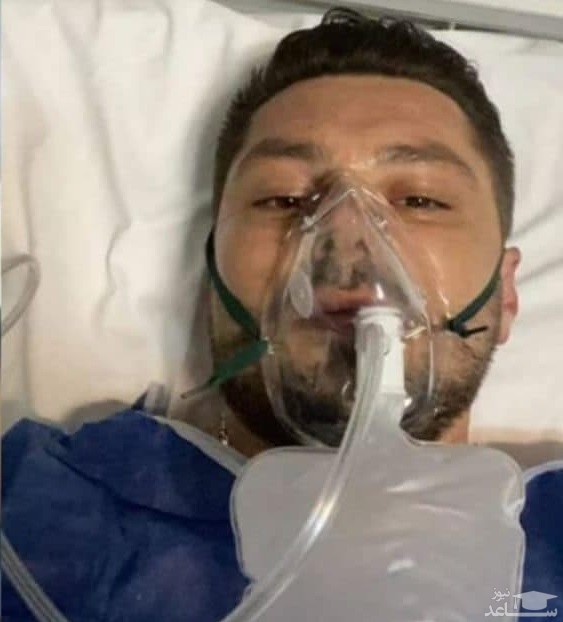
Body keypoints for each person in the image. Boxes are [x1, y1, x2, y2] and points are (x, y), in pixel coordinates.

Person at [2, 8, 561, 622]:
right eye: (285, 198)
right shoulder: (34, 521)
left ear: (506, 295)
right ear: (212, 282)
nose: (349, 238)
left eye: (420, 199)